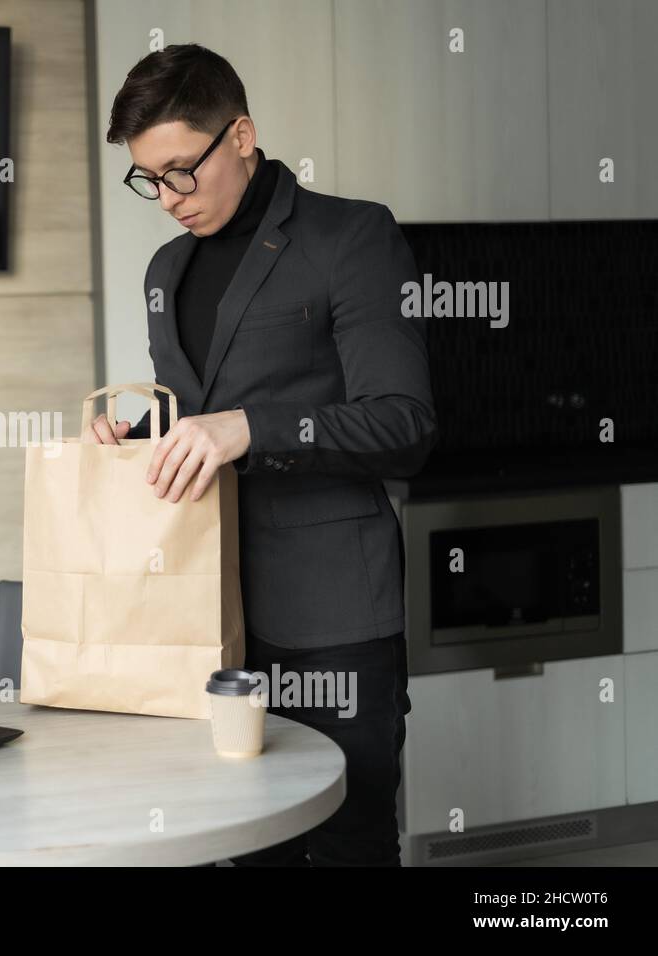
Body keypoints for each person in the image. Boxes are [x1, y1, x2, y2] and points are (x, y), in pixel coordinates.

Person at [87, 44, 437, 866]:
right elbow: (195, 419)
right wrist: (130, 443)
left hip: (335, 621)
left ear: (240, 134)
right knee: (239, 846)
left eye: (181, 170)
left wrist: (251, 427)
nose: (168, 199)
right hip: (209, 620)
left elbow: (404, 424)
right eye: (149, 179)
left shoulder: (352, 237)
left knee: (347, 845)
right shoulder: (165, 270)